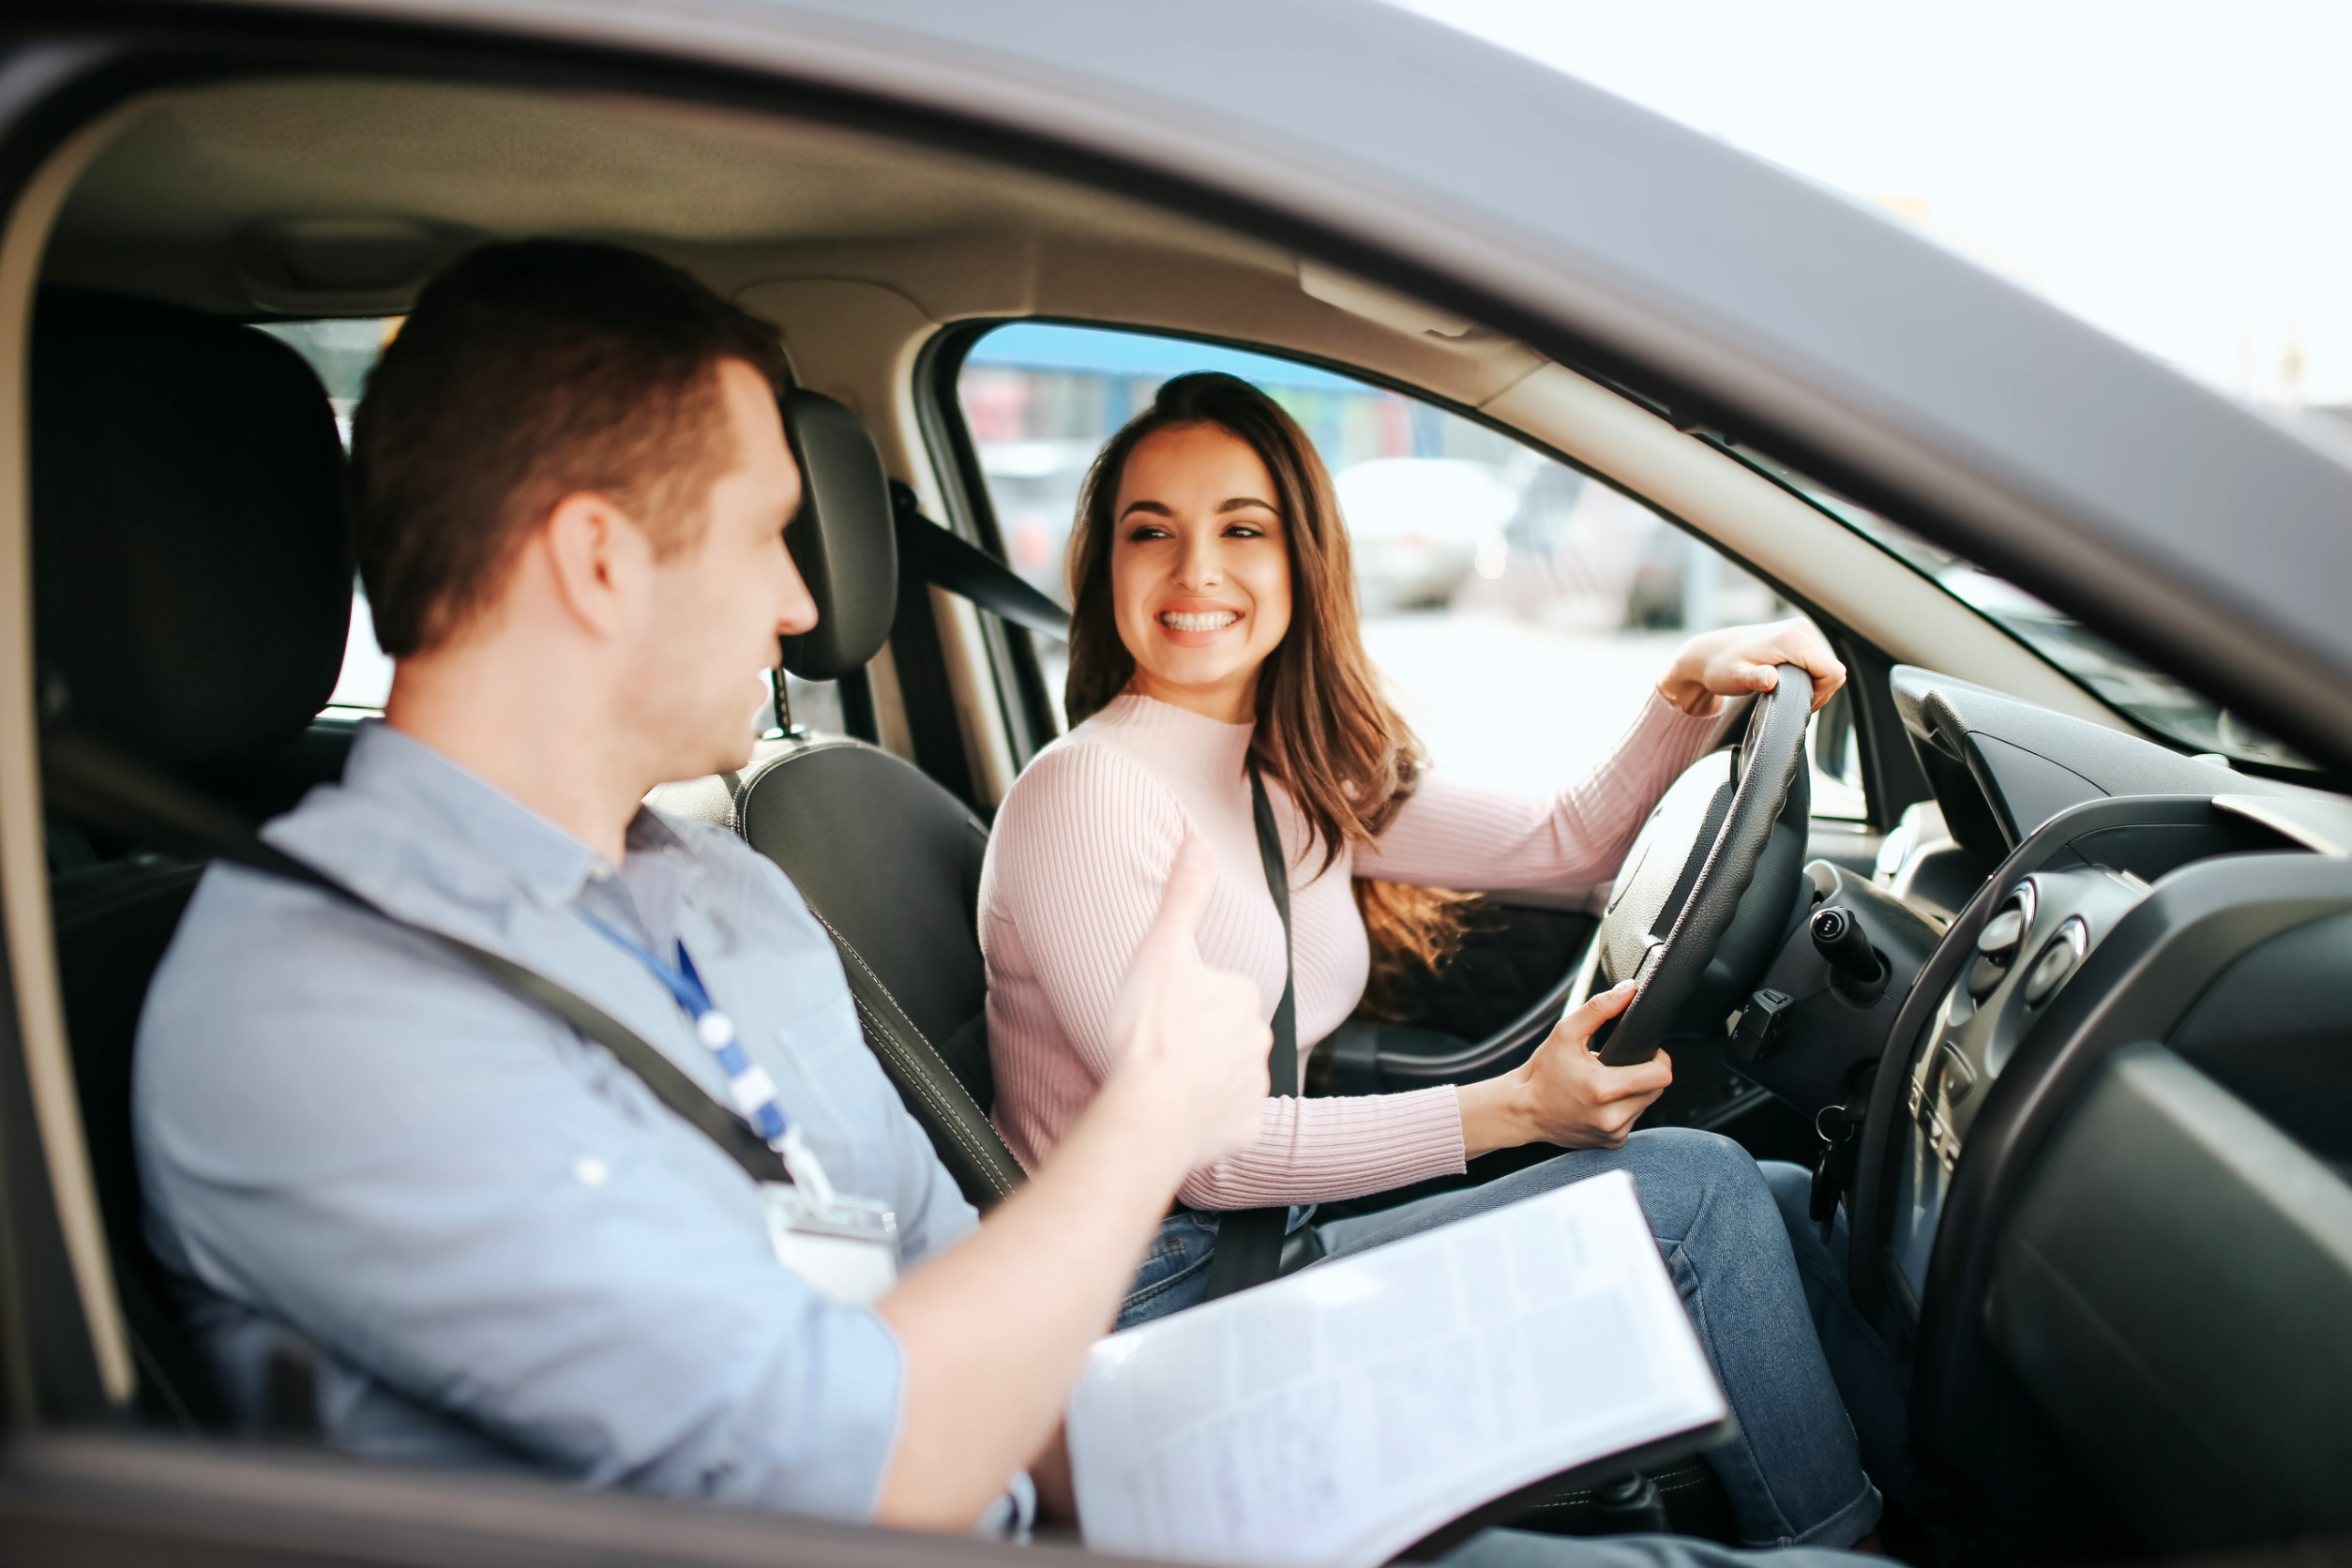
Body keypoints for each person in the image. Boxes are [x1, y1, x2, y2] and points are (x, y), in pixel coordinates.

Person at [134, 239, 1877, 1567]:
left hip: (1064, 1467)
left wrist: (1295, 1418)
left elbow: (948, 1281)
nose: (808, 608)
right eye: (767, 535)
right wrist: (1172, 1116)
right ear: (599, 563)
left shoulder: (718, 889)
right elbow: (854, 1463)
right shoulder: (323, 1007)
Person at [979, 372, 1877, 1547]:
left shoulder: (1284, 766)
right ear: (1106, 569)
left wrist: (1682, 687)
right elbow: (1204, 1158)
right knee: (1700, 1191)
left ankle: (1944, 1512)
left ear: (1302, 557)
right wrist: (1511, 1109)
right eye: (1152, 532)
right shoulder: (1088, 791)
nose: (1197, 569)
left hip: (1248, 1234)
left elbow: (1566, 843)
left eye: (1241, 529)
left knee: (1781, 1196)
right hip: (1150, 1298)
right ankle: (1847, 1545)